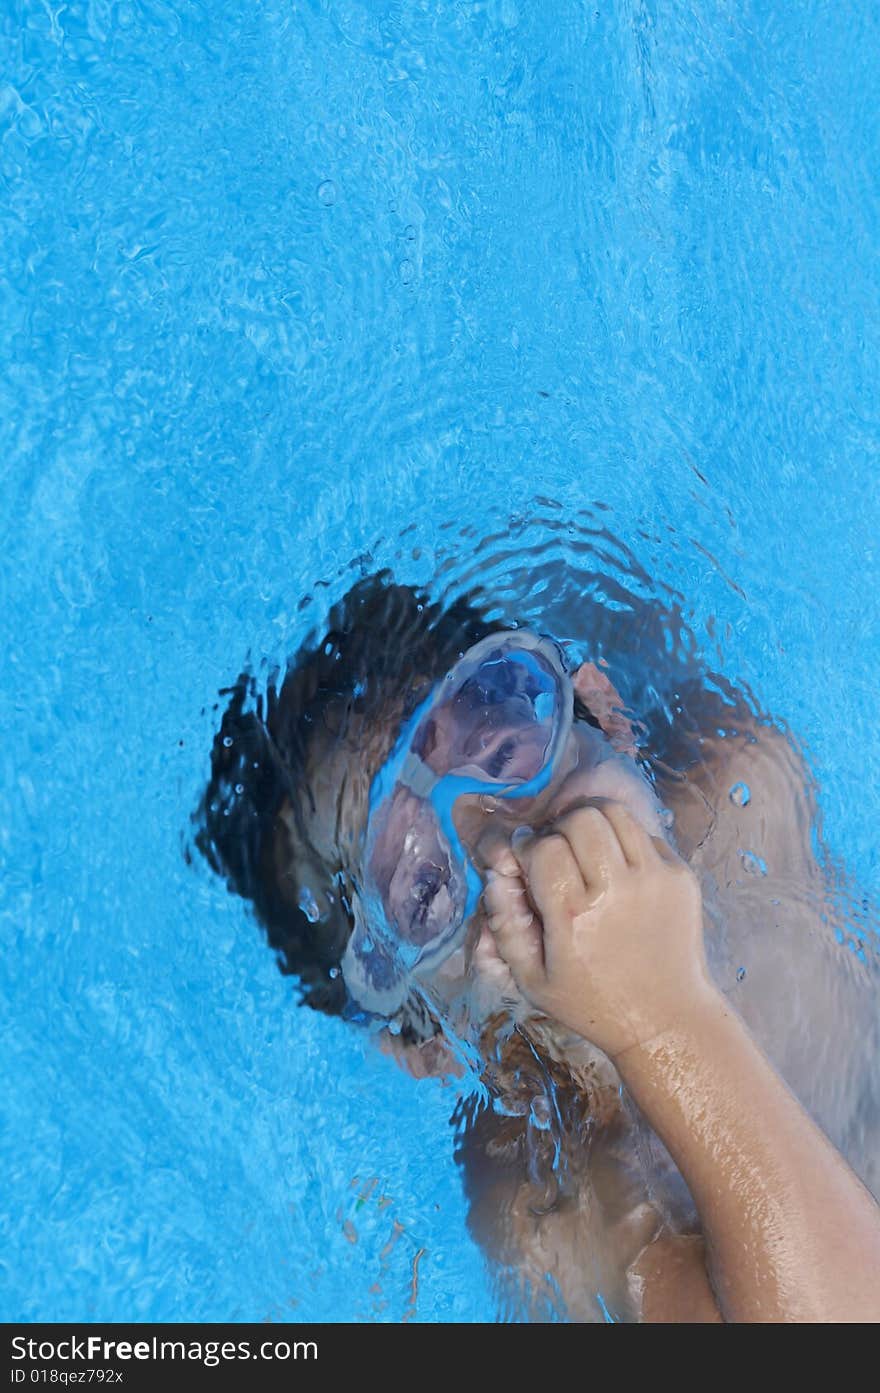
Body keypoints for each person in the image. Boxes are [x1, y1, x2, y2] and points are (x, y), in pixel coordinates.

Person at [195, 572, 880, 1321]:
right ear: (426, 1047)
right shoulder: (546, 1205)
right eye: (423, 891)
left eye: (498, 745)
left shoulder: (747, 784)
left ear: (607, 714)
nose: (502, 844)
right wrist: (661, 1022)